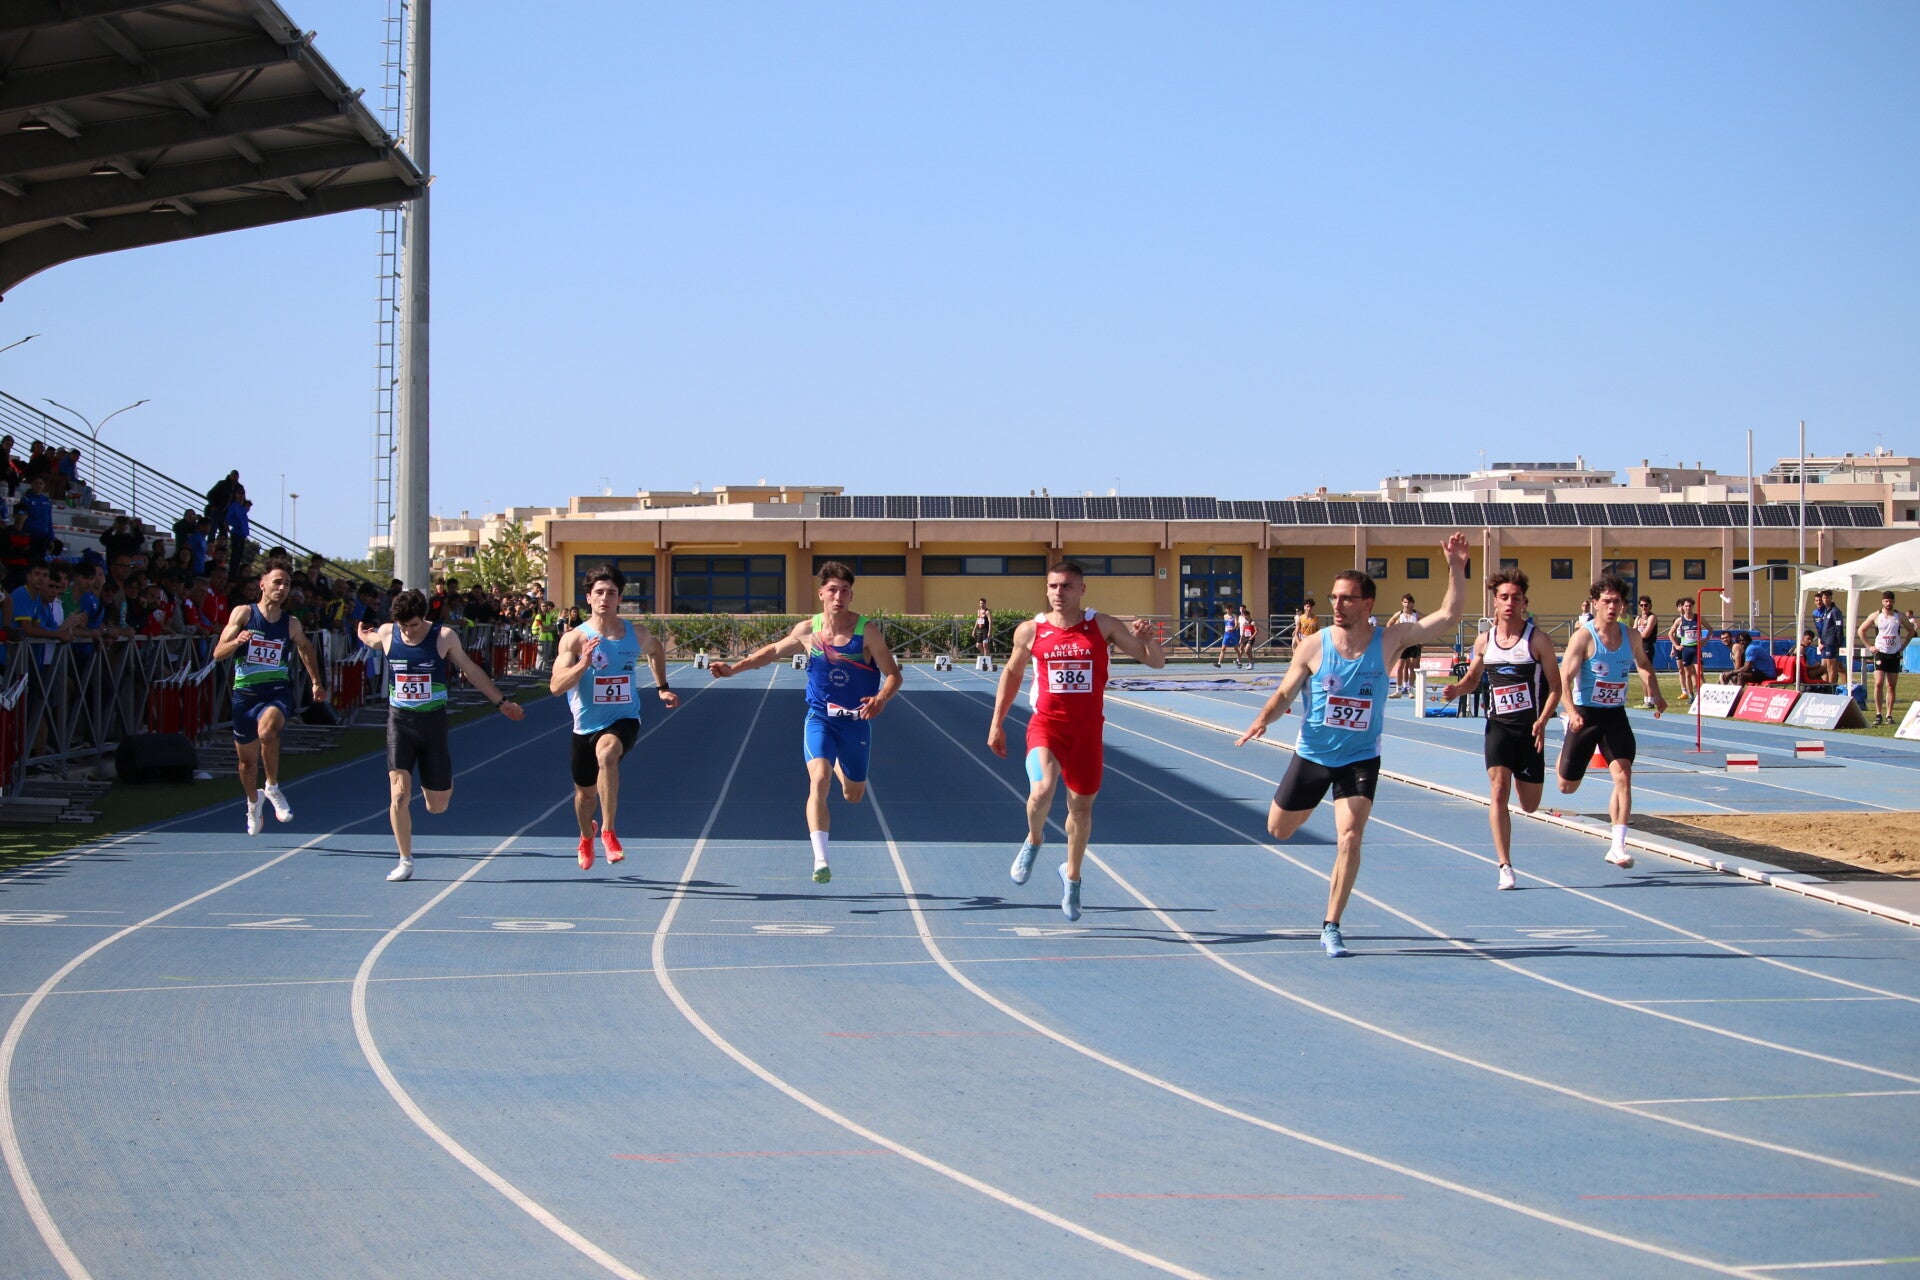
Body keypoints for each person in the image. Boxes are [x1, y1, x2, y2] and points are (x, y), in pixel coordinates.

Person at [1235, 535, 1469, 956]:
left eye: (1347, 598)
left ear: (1367, 603)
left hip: (1360, 757)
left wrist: (1455, 568)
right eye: (1334, 597)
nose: (1338, 605)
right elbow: (1286, 692)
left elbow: (1448, 616)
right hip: (1313, 754)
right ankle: (1309, 804)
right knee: (1278, 830)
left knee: (1350, 837)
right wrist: (1262, 719)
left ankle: (1331, 925)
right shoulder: (1314, 645)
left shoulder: (1389, 640)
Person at [989, 560, 1166, 920]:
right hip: (1046, 727)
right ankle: (1034, 839)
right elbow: (1011, 673)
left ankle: (1072, 877)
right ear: (1046, 589)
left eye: (1067, 586)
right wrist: (997, 723)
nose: (1059, 593)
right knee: (1041, 790)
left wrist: (1148, 641)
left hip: (1087, 733)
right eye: (1053, 586)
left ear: (1081, 590)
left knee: (1081, 812)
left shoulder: (1102, 625)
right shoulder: (1031, 630)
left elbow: (1155, 663)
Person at [709, 561, 903, 884]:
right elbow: (772, 651)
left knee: (853, 794)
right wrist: (734, 668)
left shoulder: (866, 632)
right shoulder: (808, 631)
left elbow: (894, 675)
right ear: (821, 593)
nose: (838, 597)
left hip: (856, 723)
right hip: (820, 718)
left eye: (844, 591)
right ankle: (820, 860)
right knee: (819, 779)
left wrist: (881, 698)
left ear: (851, 595)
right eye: (832, 590)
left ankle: (838, 762)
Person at [358, 589, 525, 883]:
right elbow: (372, 639)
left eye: (413, 625)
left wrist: (501, 702)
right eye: (403, 626)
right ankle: (405, 860)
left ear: (423, 618)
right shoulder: (387, 633)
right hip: (399, 722)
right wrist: (363, 634)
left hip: (432, 725)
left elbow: (470, 670)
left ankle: (437, 784)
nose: (408, 632)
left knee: (437, 806)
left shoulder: (444, 636)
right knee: (399, 792)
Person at [548, 565, 677, 869]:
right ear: (588, 598)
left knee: (607, 755)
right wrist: (583, 664)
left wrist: (662, 688)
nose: (604, 598)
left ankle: (608, 831)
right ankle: (586, 835)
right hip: (585, 725)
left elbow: (656, 651)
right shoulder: (574, 639)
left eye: (611, 593)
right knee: (584, 797)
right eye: (599, 592)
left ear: (619, 598)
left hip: (624, 718)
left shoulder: (636, 633)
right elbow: (555, 687)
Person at [1442, 569, 1563, 889]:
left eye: (1516, 598)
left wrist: (1543, 720)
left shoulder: (1537, 640)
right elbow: (1472, 679)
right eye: (1504, 597)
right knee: (1498, 791)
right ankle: (1504, 865)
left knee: (1529, 805)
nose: (1510, 603)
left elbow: (1556, 687)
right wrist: (1457, 690)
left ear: (1525, 602)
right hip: (1498, 728)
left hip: (1529, 731)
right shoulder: (1485, 641)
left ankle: (1509, 854)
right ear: (1494, 602)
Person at [1556, 573, 1666, 870]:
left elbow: (1644, 664)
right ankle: (1566, 735)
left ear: (1623, 605)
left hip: (1615, 715)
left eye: (1617, 602)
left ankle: (1618, 845)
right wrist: (1571, 711)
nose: (1612, 607)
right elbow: (1564, 678)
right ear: (1595, 603)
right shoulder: (1584, 637)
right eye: (1606, 601)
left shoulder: (1631, 636)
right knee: (1566, 787)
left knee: (1623, 775)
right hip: (1585, 714)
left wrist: (1654, 692)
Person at [212, 558, 328, 835]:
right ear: (262, 584)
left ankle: (273, 787)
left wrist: (316, 682)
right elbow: (218, 654)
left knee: (268, 731)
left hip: (276, 691)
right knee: (247, 764)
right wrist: (237, 641)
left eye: (287, 584)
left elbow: (305, 649)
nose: (282, 588)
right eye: (277, 582)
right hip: (244, 695)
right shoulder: (243, 613)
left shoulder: (291, 623)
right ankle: (253, 802)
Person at [1859, 592, 1916, 725]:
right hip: (1880, 652)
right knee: (1878, 683)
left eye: (1890, 601)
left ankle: (1889, 715)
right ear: (1882, 602)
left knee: (1891, 686)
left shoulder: (1899, 616)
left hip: (1894, 653)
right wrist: (1869, 646)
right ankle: (1878, 714)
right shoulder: (1875, 616)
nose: (1888, 603)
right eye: (1886, 601)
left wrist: (1903, 646)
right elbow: (1861, 630)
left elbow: (1911, 631)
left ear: (1894, 602)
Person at [1668, 597, 1703, 706]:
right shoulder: (1680, 620)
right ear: (1682, 607)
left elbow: (1710, 629)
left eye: (1690, 606)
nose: (1688, 608)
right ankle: (1690, 694)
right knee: (1686, 673)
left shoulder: (1698, 618)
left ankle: (1702, 695)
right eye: (1686, 606)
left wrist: (1705, 641)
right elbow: (1670, 634)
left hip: (1696, 648)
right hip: (1685, 648)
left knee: (1699, 672)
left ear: (1692, 606)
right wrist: (1675, 646)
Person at [1386, 594, 1422, 696]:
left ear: (1412, 604)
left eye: (1409, 602)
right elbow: (1389, 623)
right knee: (1400, 667)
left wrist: (1421, 636)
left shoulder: (1416, 614)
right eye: (1405, 602)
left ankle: (1411, 689)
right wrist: (1393, 634)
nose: (1406, 604)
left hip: (1413, 643)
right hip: (1402, 643)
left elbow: (1427, 622)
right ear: (1402, 603)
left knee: (1412, 667)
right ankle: (1398, 690)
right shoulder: (1399, 614)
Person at [1632, 596, 1661, 708]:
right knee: (1641, 673)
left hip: (1647, 645)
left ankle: (1651, 700)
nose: (1644, 607)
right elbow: (1633, 630)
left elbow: (1646, 634)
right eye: (1642, 605)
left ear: (1650, 605)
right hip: (1638, 646)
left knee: (1648, 673)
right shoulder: (1638, 618)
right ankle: (1646, 700)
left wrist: (1636, 635)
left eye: (1646, 605)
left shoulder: (1652, 617)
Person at [1214, 604, 1239, 668]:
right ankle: (1219, 663)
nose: (1229, 610)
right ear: (1225, 610)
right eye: (1227, 609)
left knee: (1236, 649)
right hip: (1226, 634)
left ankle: (1239, 661)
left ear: (1232, 609)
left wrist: (1232, 629)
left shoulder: (1234, 616)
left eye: (1230, 609)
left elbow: (1236, 625)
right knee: (1223, 649)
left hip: (1233, 634)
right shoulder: (1224, 616)